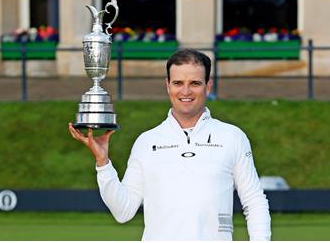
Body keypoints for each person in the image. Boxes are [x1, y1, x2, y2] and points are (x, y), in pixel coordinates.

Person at [68, 48, 271, 241]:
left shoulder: (232, 137)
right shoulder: (147, 142)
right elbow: (123, 211)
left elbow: (254, 202)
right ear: (168, 85)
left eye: (195, 83)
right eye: (178, 83)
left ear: (208, 86)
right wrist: (103, 163)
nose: (185, 91)